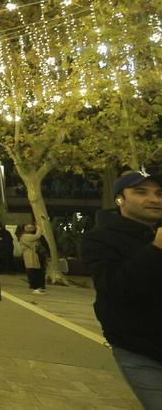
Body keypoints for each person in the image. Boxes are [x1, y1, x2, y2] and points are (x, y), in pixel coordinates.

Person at [81, 172, 162, 407]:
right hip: (141, 351)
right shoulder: (99, 240)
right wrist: (155, 249)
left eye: (159, 193)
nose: (154, 199)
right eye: (141, 192)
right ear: (120, 200)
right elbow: (115, 287)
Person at [19, 218, 47, 294]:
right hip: (31, 256)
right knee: (33, 272)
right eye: (28, 227)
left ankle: (38, 287)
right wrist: (39, 228)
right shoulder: (24, 236)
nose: (30, 229)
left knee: (38, 272)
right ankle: (36, 287)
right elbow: (37, 236)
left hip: (36, 256)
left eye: (32, 227)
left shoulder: (30, 236)